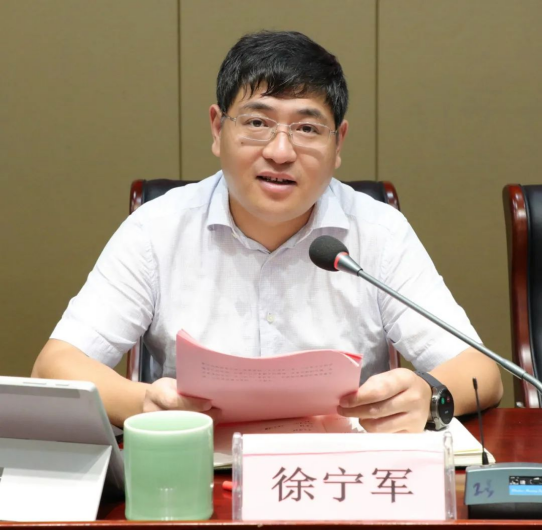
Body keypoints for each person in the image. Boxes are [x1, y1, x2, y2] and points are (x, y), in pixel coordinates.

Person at [32, 30, 503, 431]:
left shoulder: (378, 232)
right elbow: (55, 367)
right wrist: (144, 404)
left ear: (338, 142)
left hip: (339, 476)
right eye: (257, 122)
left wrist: (428, 395)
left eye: (307, 129)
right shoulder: (157, 229)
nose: (280, 152)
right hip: (198, 471)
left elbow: (481, 371)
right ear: (217, 129)